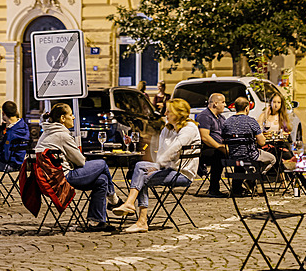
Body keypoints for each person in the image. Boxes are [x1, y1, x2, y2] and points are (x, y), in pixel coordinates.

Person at [113, 98, 201, 233]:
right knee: (140, 166)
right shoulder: (168, 129)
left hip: (182, 174)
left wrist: (157, 165)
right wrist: (157, 165)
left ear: (178, 113)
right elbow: (161, 152)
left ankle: (140, 218)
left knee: (141, 177)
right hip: (168, 169)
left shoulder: (189, 129)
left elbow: (175, 148)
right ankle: (132, 207)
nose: (165, 113)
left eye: (169, 111)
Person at [35, 102, 120, 232]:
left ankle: (96, 222)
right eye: (70, 115)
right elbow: (80, 161)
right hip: (63, 179)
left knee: (102, 180)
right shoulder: (62, 135)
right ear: (63, 118)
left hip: (50, 180)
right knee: (102, 164)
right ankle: (114, 200)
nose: (74, 117)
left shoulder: (47, 133)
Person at [223, 97, 276, 194]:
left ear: (235, 108)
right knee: (272, 159)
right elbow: (262, 143)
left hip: (233, 156)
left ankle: (241, 185)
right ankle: (252, 179)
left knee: (242, 162)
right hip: (250, 156)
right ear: (247, 108)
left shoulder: (227, 122)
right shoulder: (251, 121)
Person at [197, 92, 229, 198]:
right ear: (215, 104)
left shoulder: (221, 118)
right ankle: (214, 189)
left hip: (220, 147)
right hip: (206, 150)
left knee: (240, 152)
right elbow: (205, 137)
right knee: (218, 156)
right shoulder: (204, 116)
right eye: (223, 102)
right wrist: (220, 147)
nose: (225, 105)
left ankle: (239, 186)